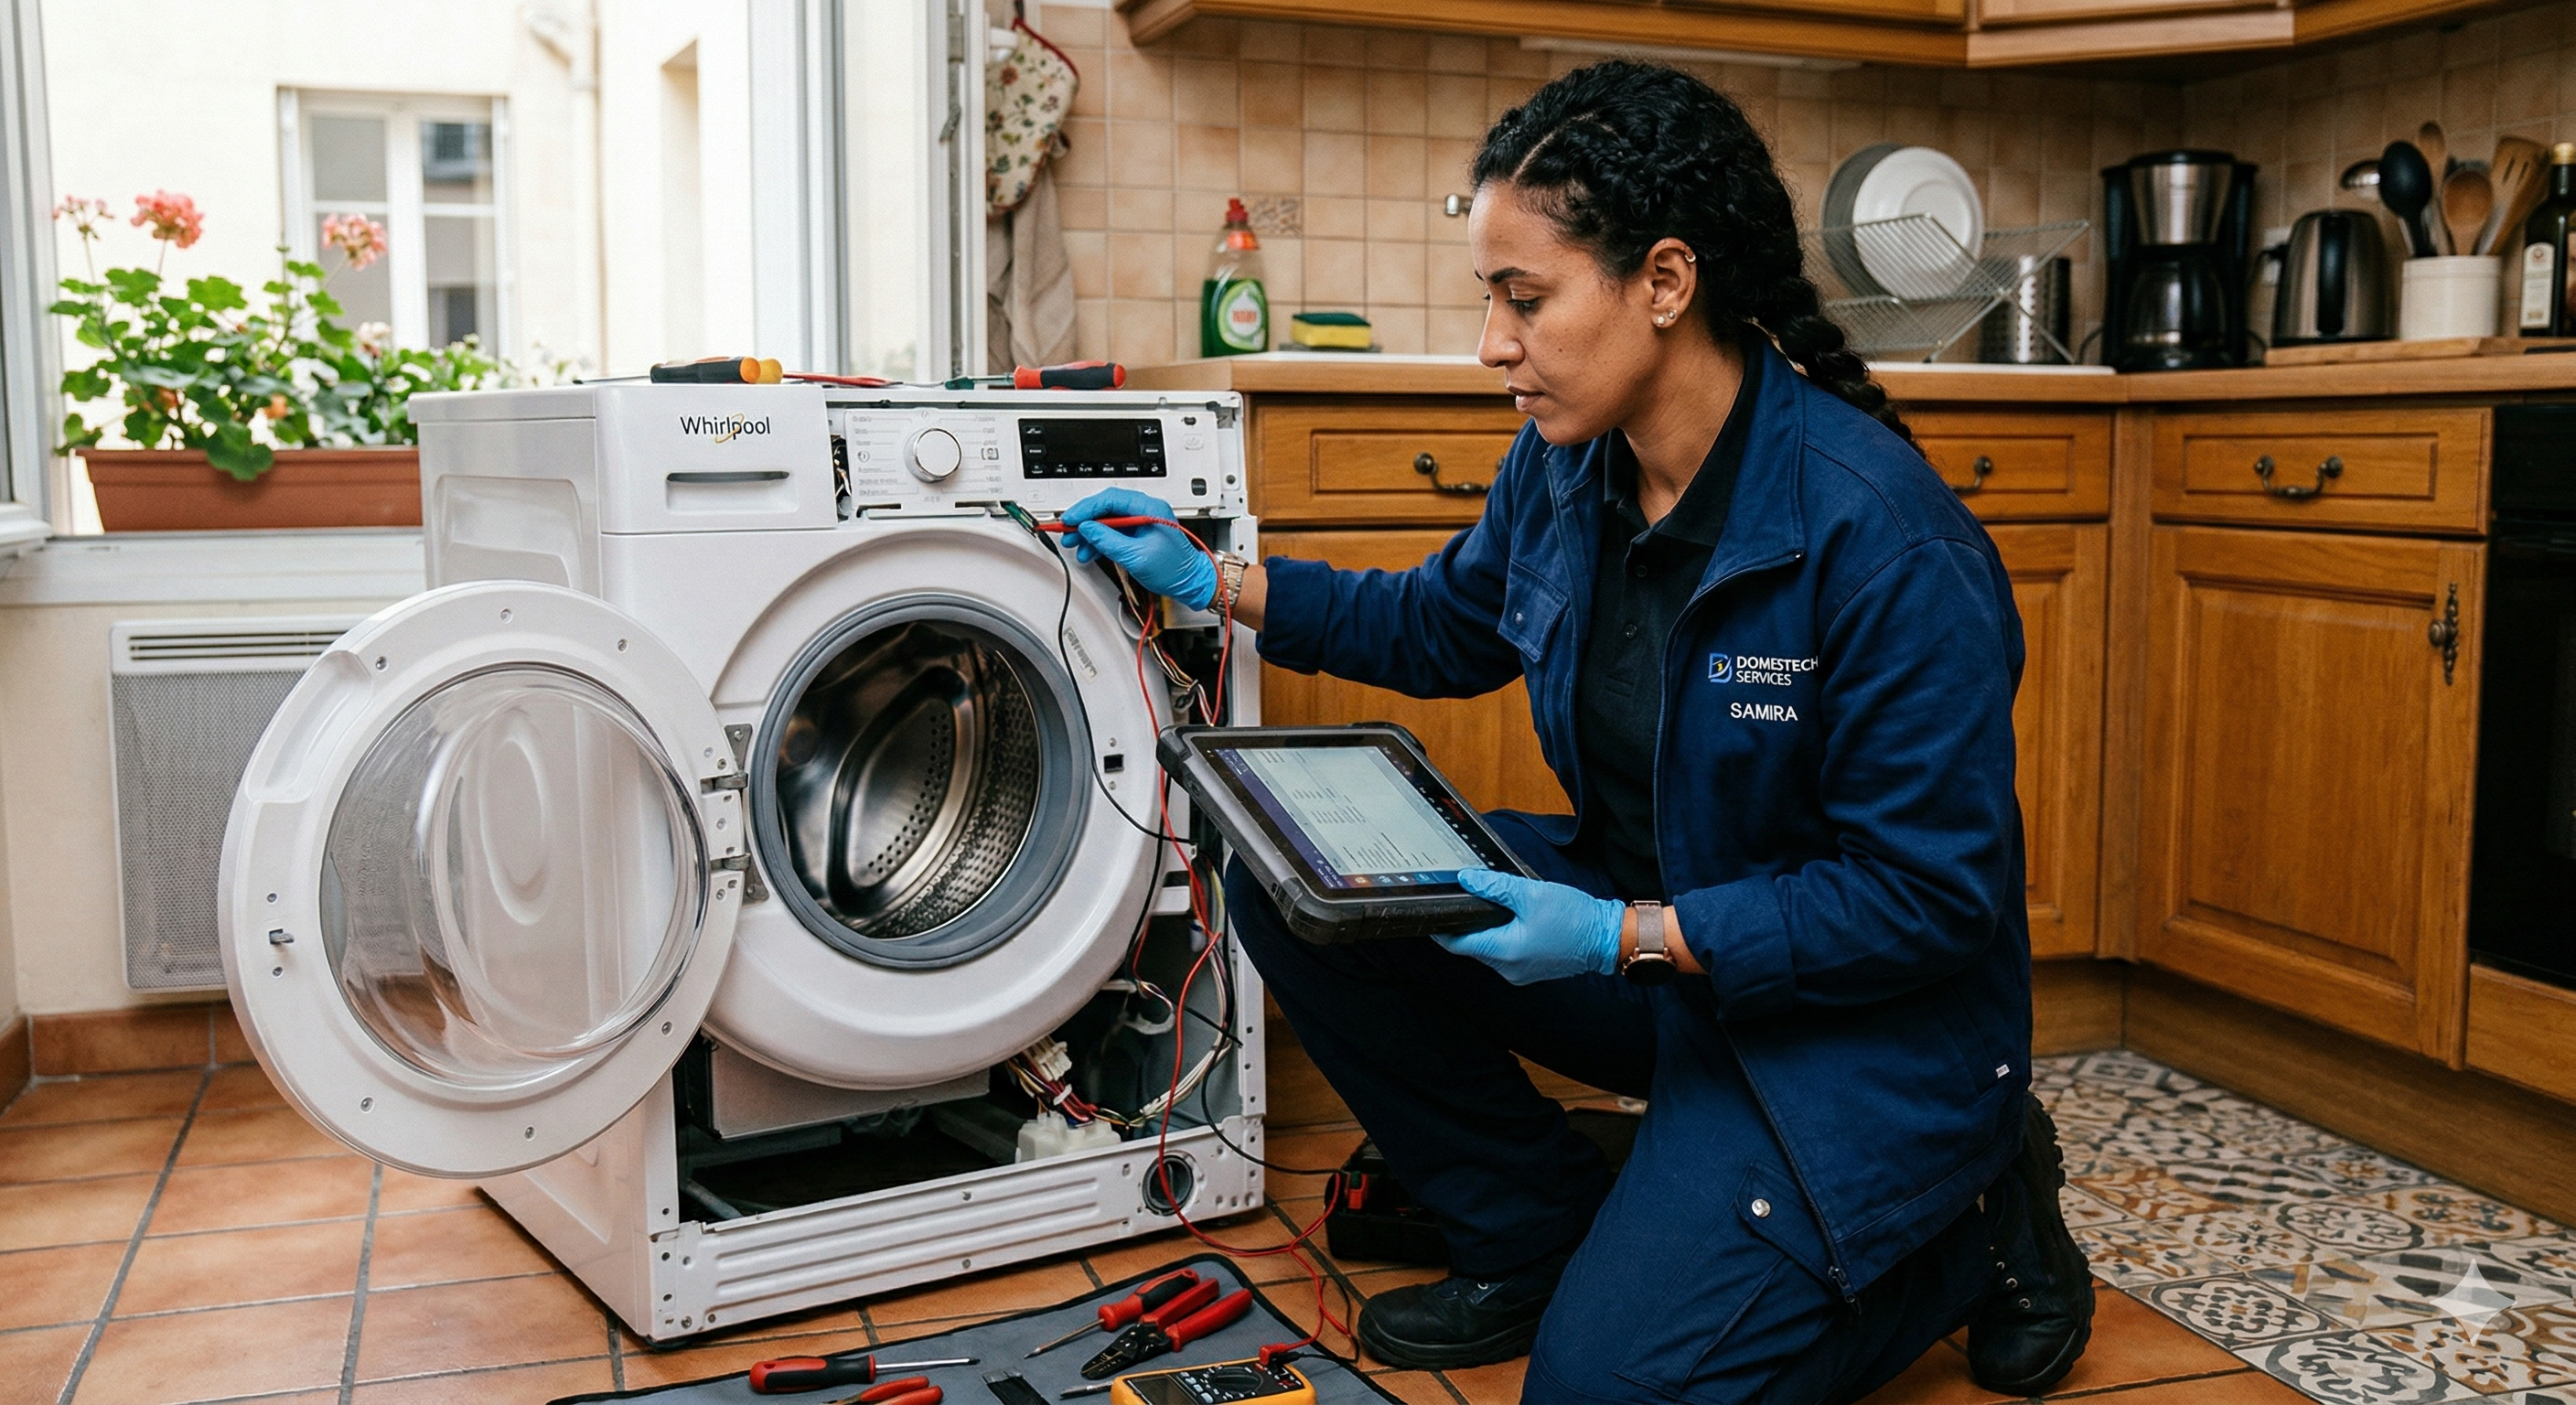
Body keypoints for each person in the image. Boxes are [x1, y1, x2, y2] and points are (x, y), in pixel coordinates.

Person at [1057, 61, 2092, 1405]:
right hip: (1661, 943)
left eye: (1523, 298)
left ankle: (1964, 1217)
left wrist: (1623, 938)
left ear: (1664, 283)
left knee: (1603, 1396)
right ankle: (1534, 1232)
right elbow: (1441, 624)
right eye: (1492, 299)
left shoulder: (1885, 542)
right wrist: (1220, 579)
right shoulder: (1569, 465)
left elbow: (1925, 902)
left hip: (1860, 1033)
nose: (1494, 344)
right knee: (1304, 885)